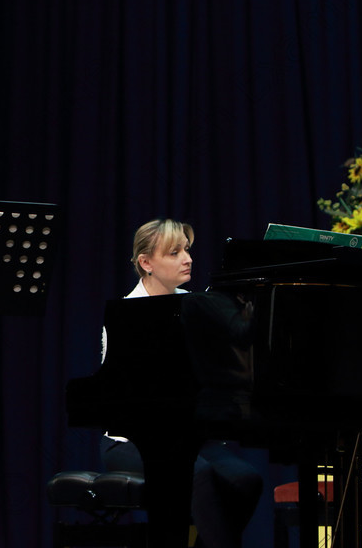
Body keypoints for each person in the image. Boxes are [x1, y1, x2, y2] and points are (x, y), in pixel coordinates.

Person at [100, 218, 262, 548]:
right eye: (174, 253)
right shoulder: (125, 315)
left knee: (247, 480)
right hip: (131, 441)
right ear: (146, 263)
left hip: (190, 436)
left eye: (187, 250)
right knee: (195, 475)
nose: (187, 259)